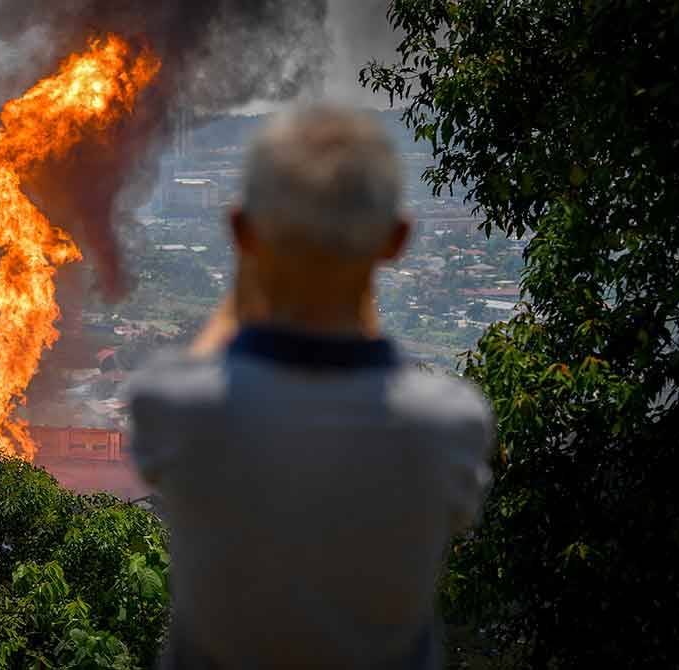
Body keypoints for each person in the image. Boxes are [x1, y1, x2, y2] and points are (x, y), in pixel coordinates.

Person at [126, 105, 495, 669]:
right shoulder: (449, 424)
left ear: (240, 233)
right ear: (397, 239)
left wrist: (250, 275)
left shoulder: (174, 406)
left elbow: (202, 377)